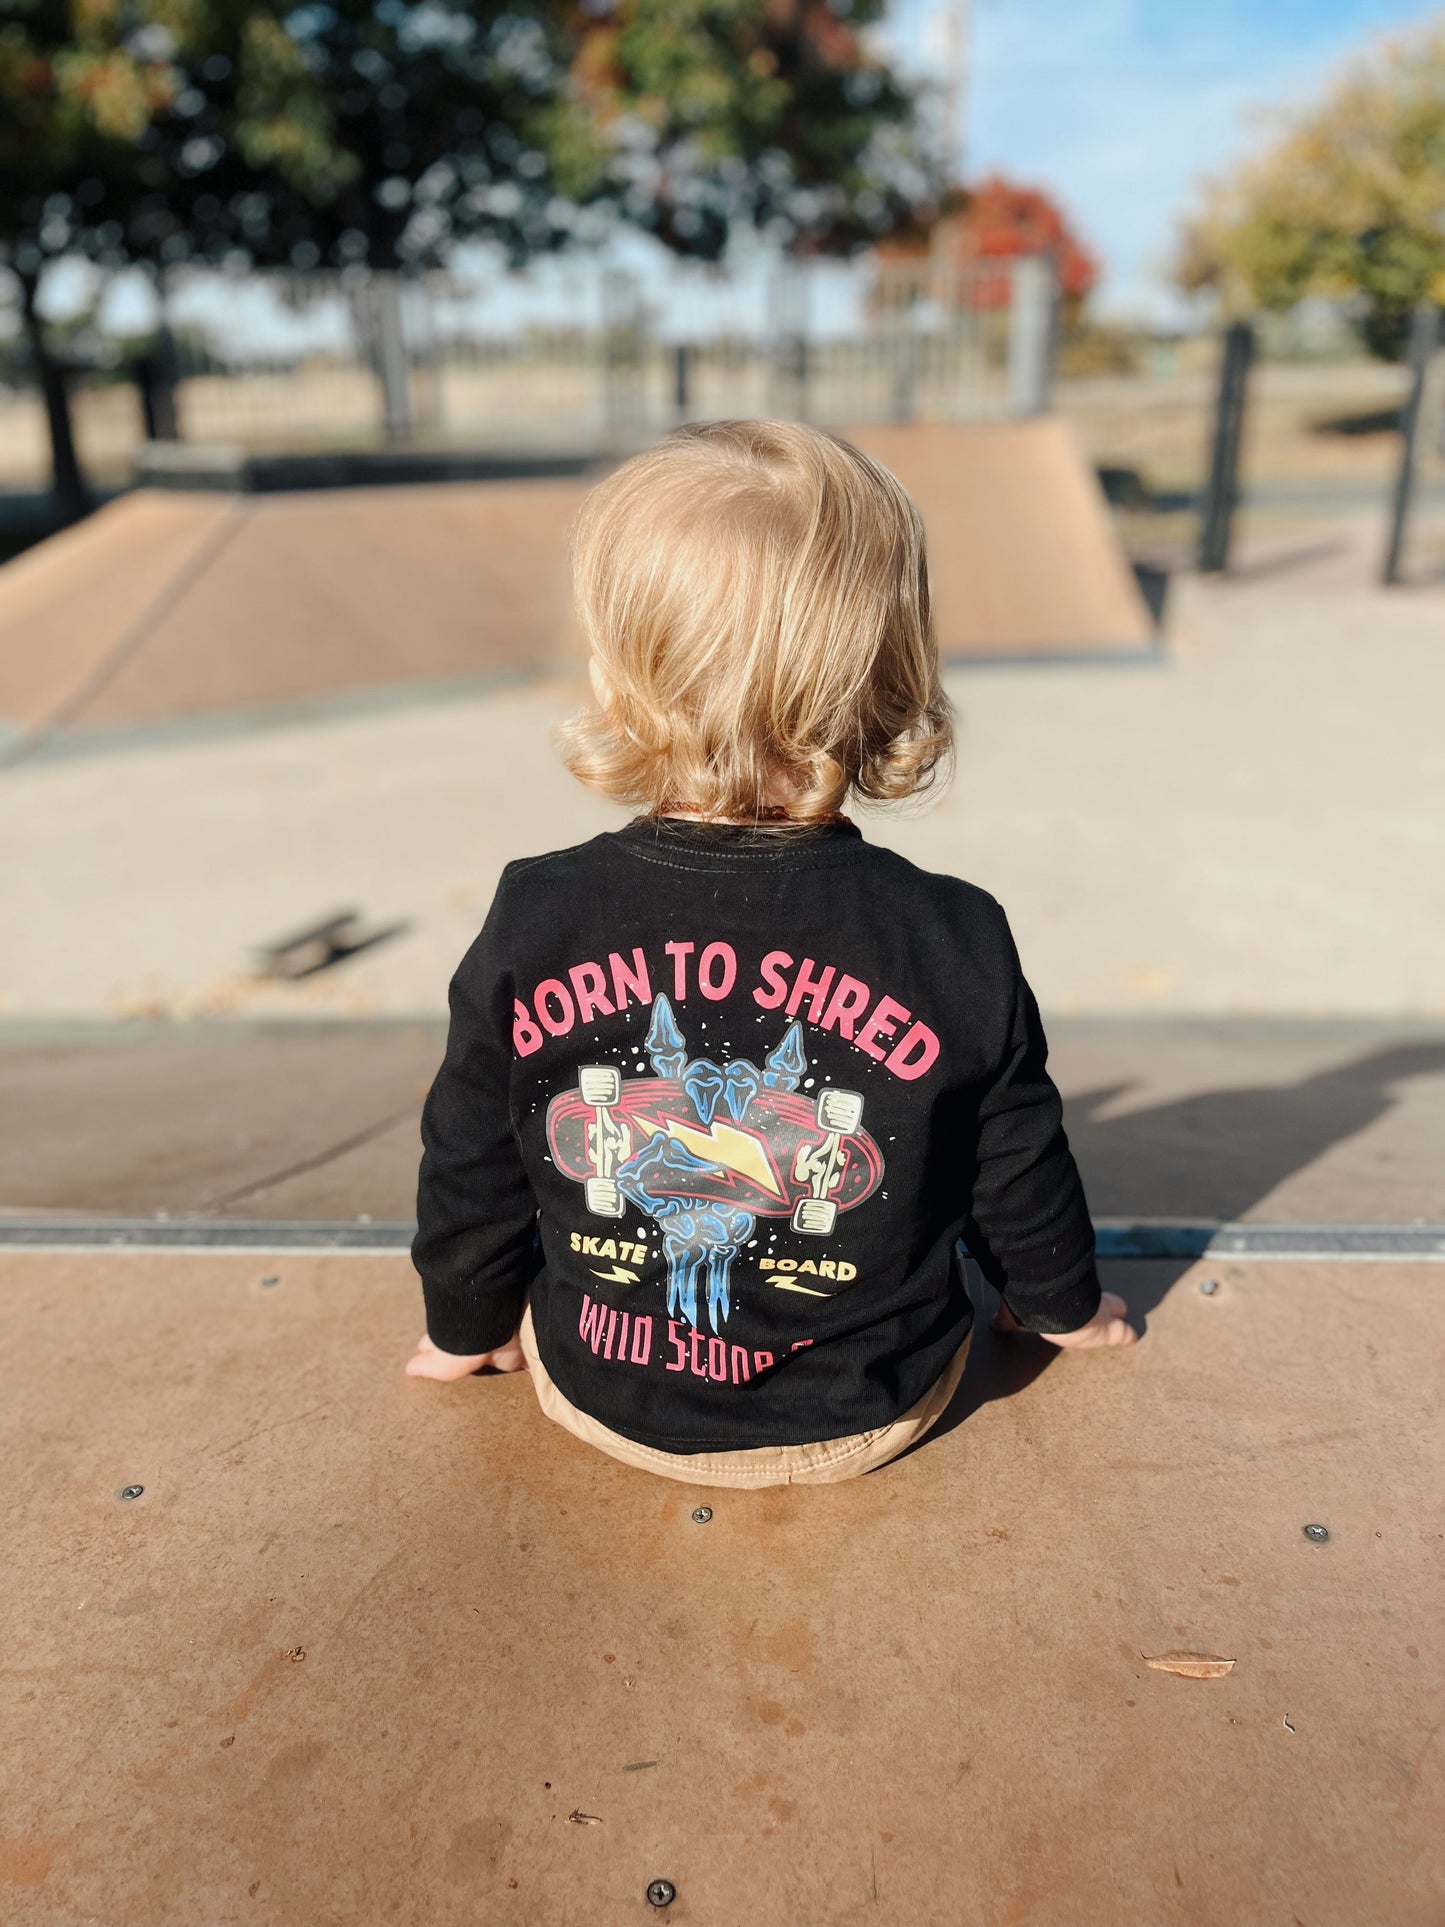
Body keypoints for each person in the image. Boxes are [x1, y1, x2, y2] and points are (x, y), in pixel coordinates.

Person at [406, 420, 1135, 1487]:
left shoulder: (540, 910)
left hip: (602, 1395)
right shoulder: (950, 932)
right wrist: (1062, 1305)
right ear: (890, 677)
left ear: (616, 678)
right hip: (870, 1403)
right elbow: (1012, 1166)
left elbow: (470, 1156)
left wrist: (459, 1325)